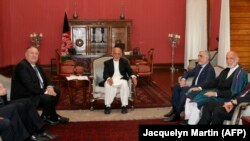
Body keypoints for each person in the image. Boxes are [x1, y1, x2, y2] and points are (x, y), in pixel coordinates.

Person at [183, 51, 248, 125]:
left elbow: (234, 92)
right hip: (219, 95)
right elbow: (214, 82)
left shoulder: (240, 74)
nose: (228, 61)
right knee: (196, 95)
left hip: (228, 99)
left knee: (207, 102)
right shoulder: (225, 71)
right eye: (227, 59)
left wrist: (215, 94)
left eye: (231, 59)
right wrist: (200, 87)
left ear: (237, 60)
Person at [11, 46, 69, 125]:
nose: (34, 55)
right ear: (26, 55)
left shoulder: (37, 66)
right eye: (32, 53)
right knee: (48, 97)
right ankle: (52, 116)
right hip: (26, 96)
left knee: (57, 91)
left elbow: (47, 79)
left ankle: (47, 115)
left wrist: (50, 87)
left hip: (36, 93)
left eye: (36, 54)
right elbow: (30, 87)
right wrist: (46, 91)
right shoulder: (22, 67)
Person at [164, 50, 216, 122]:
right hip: (192, 86)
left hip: (200, 90)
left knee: (184, 90)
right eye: (198, 56)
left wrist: (190, 86)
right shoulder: (199, 66)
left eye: (201, 56)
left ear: (207, 58)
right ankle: (174, 109)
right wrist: (183, 79)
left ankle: (176, 114)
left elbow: (206, 84)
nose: (198, 58)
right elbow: (188, 73)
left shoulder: (210, 70)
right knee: (177, 86)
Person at [103, 46, 137, 114]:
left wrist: (133, 77)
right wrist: (108, 78)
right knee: (107, 85)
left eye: (119, 54)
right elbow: (105, 73)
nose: (117, 55)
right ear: (112, 53)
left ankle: (124, 106)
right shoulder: (107, 62)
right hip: (111, 79)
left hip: (121, 79)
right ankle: (107, 106)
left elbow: (129, 71)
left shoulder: (124, 62)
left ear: (121, 54)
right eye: (115, 53)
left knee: (125, 84)